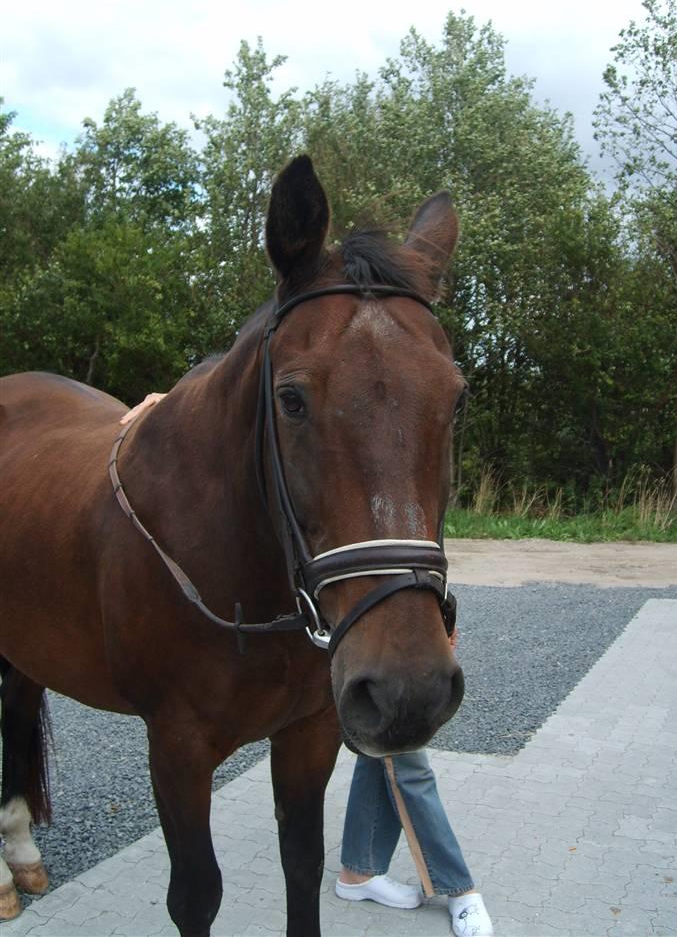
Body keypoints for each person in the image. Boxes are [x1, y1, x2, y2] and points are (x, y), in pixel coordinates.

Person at [121, 395, 492, 936]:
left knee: (393, 748)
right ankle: (449, 885)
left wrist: (430, 603)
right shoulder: (315, 423)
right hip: (360, 605)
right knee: (401, 755)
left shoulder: (378, 419)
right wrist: (179, 401)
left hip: (376, 604)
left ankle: (363, 869)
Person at [336, 631, 493, 937]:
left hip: (396, 638)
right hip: (376, 645)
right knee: (409, 763)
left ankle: (358, 871)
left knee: (378, 750)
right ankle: (459, 889)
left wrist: (440, 623)